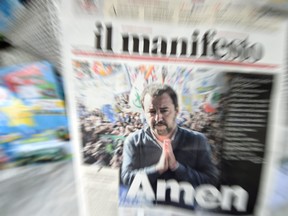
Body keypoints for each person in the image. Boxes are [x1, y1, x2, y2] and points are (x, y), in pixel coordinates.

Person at [121, 83, 219, 198]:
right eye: (152, 112)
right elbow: (127, 179)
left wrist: (177, 167)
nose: (158, 118)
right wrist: (157, 169)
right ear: (144, 112)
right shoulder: (133, 141)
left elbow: (211, 180)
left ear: (176, 111)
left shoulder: (197, 140)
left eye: (164, 110)